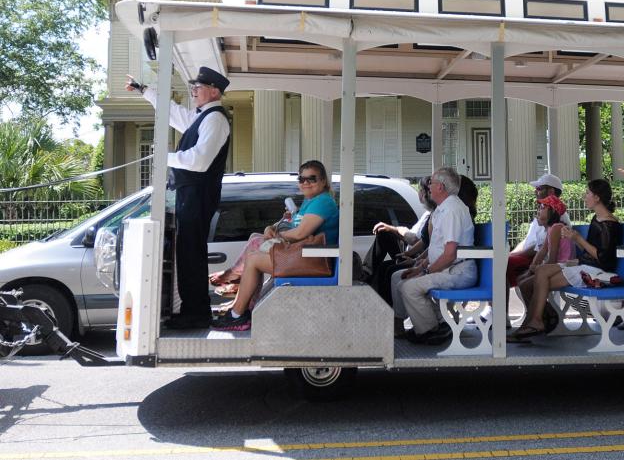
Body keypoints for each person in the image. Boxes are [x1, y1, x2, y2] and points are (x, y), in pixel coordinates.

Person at [127, 67, 231, 330]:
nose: (193, 91)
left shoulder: (215, 119)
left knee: (191, 254)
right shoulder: (204, 116)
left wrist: (165, 157)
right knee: (187, 253)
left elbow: (198, 160)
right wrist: (144, 91)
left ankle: (196, 313)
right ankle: (192, 310)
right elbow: (173, 112)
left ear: (215, 91)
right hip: (191, 194)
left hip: (198, 194)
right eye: (193, 86)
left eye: (198, 86)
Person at [211, 160, 338, 331]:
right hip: (306, 255)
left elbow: (300, 234)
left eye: (312, 179)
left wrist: (277, 235)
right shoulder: (311, 200)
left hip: (315, 258)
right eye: (302, 179)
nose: (305, 183)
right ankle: (240, 302)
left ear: (323, 181)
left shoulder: (323, 201)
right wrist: (270, 228)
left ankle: (237, 313)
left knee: (254, 259)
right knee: (256, 240)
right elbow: (293, 227)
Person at [508, 179, 623, 342]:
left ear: (597, 197)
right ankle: (534, 321)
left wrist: (577, 238)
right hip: (584, 266)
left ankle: (537, 321)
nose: (585, 197)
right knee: (539, 273)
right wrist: (576, 258)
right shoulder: (597, 220)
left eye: (588, 193)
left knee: (539, 277)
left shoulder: (609, 224)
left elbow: (604, 258)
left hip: (595, 272)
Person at [392, 167, 475, 345]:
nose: (429, 185)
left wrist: (425, 272)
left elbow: (450, 254)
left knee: (409, 288)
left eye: (432, 182)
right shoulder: (443, 209)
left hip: (457, 272)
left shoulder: (452, 210)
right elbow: (436, 249)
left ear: (442, 187)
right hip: (448, 269)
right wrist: (419, 268)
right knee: (399, 278)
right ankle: (437, 323)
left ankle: (430, 330)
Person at [368, 177, 435, 305]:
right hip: (411, 252)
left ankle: (389, 311)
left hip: (417, 255)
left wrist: (397, 230)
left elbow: (418, 240)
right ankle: (366, 273)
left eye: (421, 190)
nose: (419, 193)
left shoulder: (434, 215)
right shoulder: (428, 214)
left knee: (388, 270)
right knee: (384, 236)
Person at [506, 174, 571, 291]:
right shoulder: (544, 217)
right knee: (506, 266)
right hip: (538, 261)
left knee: (504, 267)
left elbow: (541, 251)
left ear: (551, 191)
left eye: (539, 188)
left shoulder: (557, 219)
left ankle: (497, 306)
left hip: (548, 264)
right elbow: (529, 242)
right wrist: (511, 254)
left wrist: (512, 257)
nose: (535, 192)